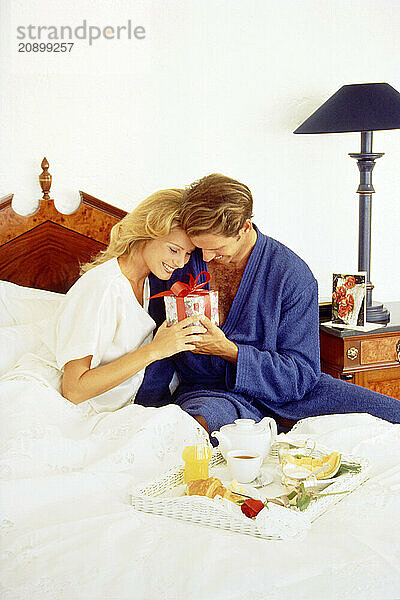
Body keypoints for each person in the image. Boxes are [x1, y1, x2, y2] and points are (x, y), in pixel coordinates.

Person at [141, 174, 400, 435]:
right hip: (213, 393)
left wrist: (230, 351)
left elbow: (302, 375)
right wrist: (145, 410)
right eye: (200, 246)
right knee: (190, 430)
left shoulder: (292, 275)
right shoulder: (177, 263)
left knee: (392, 416)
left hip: (293, 396)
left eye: (217, 249)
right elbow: (157, 349)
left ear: (244, 228)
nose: (205, 256)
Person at [0, 189, 206, 479]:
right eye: (174, 249)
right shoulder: (103, 287)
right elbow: (73, 390)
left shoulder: (147, 282)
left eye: (187, 253)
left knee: (175, 432)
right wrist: (156, 350)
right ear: (146, 233)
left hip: (101, 407)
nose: (181, 262)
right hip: (53, 401)